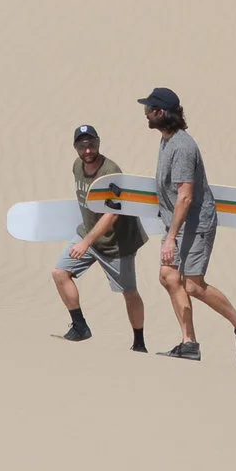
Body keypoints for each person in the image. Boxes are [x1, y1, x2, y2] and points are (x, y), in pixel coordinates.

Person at [138, 87, 236, 366]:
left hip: (193, 224)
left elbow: (186, 196)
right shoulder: (167, 140)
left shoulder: (182, 147)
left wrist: (171, 237)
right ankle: (189, 343)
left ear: (161, 112)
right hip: (176, 223)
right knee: (169, 277)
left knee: (192, 285)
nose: (145, 114)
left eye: (149, 110)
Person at [52, 124, 147, 350]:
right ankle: (80, 327)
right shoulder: (77, 166)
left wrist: (86, 243)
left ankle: (139, 343)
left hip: (117, 244)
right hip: (88, 235)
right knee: (60, 272)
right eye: (82, 146)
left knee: (129, 292)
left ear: (98, 143)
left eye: (91, 145)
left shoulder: (111, 171)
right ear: (75, 147)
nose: (87, 151)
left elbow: (112, 214)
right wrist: (86, 239)